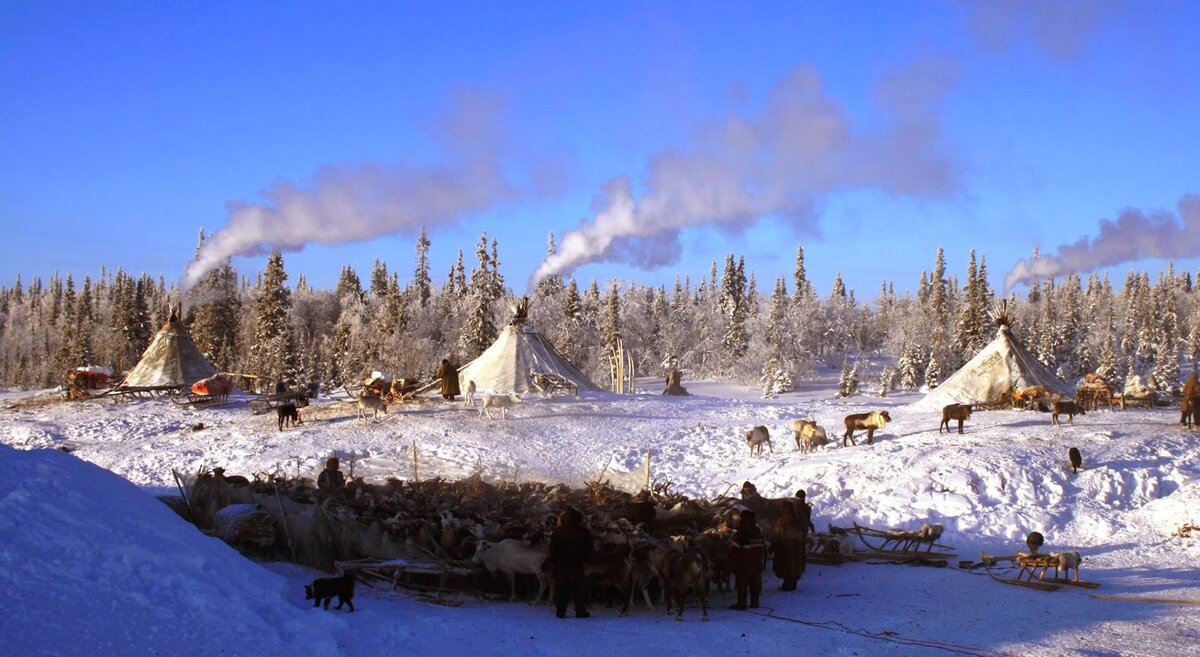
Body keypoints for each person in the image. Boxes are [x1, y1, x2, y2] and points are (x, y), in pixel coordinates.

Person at [549, 507, 592, 619]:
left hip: (561, 562)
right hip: (578, 562)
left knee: (561, 587)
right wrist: (586, 560)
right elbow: (589, 548)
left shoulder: (557, 531)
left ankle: (560, 611)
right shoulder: (584, 532)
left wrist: (554, 562)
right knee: (579, 587)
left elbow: (552, 549)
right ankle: (580, 610)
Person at [729, 509, 765, 610]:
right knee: (754, 582)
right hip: (756, 561)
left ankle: (741, 603)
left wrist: (730, 555)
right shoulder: (757, 531)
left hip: (744, 563)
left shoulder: (742, 533)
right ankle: (754, 602)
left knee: (742, 583)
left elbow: (734, 548)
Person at [770, 502, 806, 592]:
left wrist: (773, 545)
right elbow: (803, 532)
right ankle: (793, 583)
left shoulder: (783, 521)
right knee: (794, 566)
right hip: (797, 548)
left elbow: (777, 534)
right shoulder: (798, 520)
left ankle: (787, 584)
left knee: (785, 566)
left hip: (784, 548)